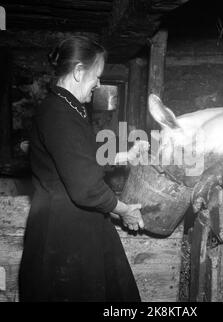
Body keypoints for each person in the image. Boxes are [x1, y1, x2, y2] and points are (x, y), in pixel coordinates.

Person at [19, 36, 144, 302]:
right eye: (96, 76)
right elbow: (86, 187)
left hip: (74, 228)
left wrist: (124, 156)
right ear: (78, 71)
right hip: (64, 238)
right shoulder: (59, 114)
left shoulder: (66, 108)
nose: (98, 84)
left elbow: (78, 158)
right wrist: (124, 210)